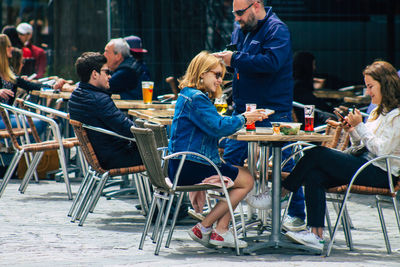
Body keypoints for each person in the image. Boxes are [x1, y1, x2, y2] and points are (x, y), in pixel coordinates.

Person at [251, 60, 400, 252]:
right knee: (315, 175)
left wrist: (360, 127)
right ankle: (316, 235)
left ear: (385, 85)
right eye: (366, 86)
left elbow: (382, 152)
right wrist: (353, 131)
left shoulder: (396, 116)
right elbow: (361, 146)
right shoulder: (377, 113)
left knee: (316, 154)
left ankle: (280, 194)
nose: (367, 92)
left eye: (371, 86)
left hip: (382, 172)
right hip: (365, 165)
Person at [214, 0, 306, 232]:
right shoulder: (241, 28)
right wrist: (225, 60)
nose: (236, 18)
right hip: (244, 109)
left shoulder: (277, 29)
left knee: (286, 163)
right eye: (234, 14)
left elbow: (271, 63)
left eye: (239, 13)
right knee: (232, 160)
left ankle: (297, 213)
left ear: (256, 5)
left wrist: (234, 60)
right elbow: (240, 60)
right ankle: (222, 213)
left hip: (274, 110)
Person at [168, 51, 268, 248]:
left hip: (181, 164)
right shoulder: (197, 98)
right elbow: (219, 127)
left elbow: (210, 130)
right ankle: (206, 227)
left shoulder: (189, 94)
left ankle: (219, 231)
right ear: (202, 73)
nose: (221, 81)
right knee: (247, 179)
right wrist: (246, 117)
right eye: (217, 75)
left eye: (222, 76)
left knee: (242, 175)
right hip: (190, 165)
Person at [68, 52, 142, 169]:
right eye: (106, 72)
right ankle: (166, 187)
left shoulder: (75, 96)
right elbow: (128, 129)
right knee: (160, 152)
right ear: (94, 74)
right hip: (115, 157)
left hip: (100, 156)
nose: (110, 76)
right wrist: (149, 133)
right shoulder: (99, 100)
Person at [0, 34, 46, 134]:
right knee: (39, 124)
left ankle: (21, 148)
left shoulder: (8, 71)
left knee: (42, 122)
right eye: (8, 46)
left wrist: (51, 87)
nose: (11, 48)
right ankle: (24, 149)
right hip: (4, 117)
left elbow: (29, 85)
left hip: (7, 115)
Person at [292, 51, 332, 127]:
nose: (314, 68)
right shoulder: (299, 85)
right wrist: (334, 111)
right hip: (307, 125)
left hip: (305, 119)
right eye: (313, 64)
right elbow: (314, 104)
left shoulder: (293, 82)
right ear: (307, 66)